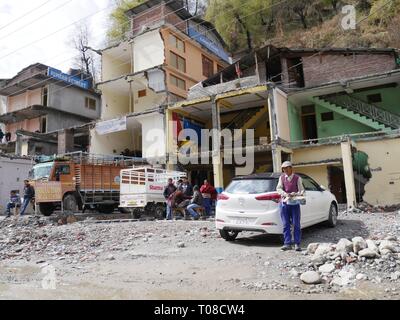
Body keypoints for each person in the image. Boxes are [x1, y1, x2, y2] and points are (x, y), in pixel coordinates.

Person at [276, 161, 305, 252]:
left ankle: (297, 243)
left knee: (296, 223)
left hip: (294, 203)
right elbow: (278, 188)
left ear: (291, 168)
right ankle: (287, 243)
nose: (285, 170)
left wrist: (295, 193)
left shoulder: (297, 178)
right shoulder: (281, 178)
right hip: (284, 203)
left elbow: (302, 190)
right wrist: (285, 194)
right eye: (284, 169)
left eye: (287, 168)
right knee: (285, 224)